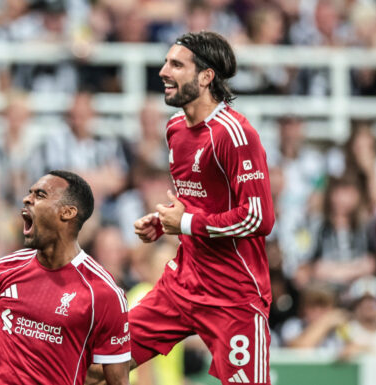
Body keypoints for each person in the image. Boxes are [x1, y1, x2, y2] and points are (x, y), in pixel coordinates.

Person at [95, 31, 276, 385]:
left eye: (176, 64)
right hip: (181, 284)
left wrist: (188, 222)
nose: (163, 71)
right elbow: (198, 204)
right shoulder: (175, 129)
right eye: (166, 62)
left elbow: (259, 216)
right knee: (99, 367)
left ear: (206, 76)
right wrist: (166, 221)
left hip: (234, 296)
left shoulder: (235, 134)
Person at [0, 170, 130, 385]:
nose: (27, 199)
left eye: (40, 195)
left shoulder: (103, 293)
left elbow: (117, 382)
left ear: (67, 213)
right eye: (29, 193)